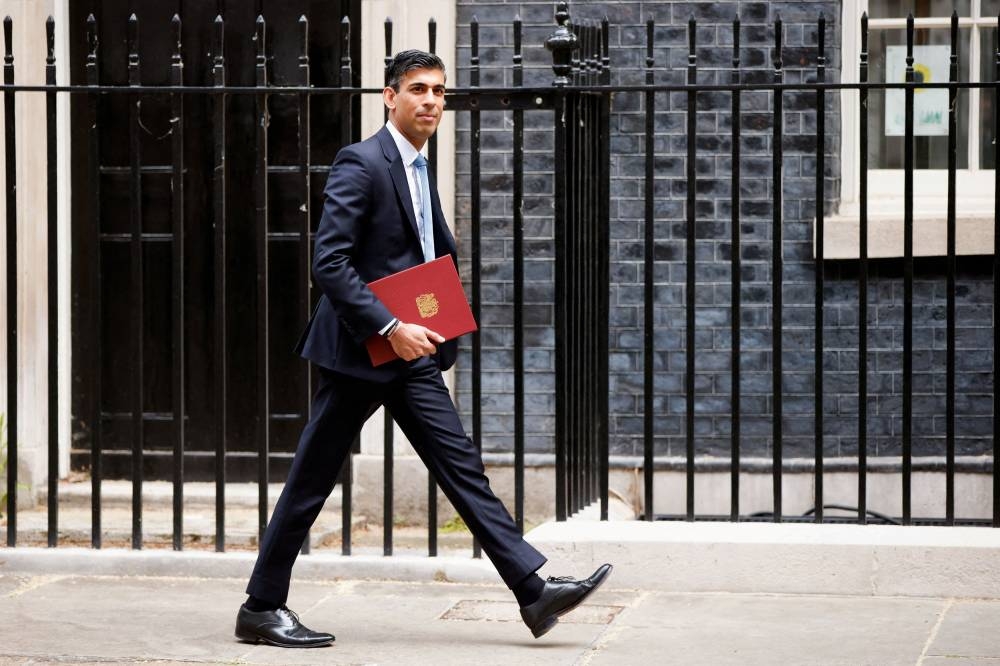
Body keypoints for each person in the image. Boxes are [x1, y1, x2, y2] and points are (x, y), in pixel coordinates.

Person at [234, 49, 612, 649]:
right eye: (418, 89)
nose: (431, 100)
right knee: (312, 480)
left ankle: (534, 593)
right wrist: (389, 327)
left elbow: (428, 257)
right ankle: (261, 607)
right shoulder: (361, 163)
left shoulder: (418, 167)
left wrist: (438, 327)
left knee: (462, 469)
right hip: (361, 353)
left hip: (410, 355)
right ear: (390, 97)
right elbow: (330, 264)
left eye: (438, 90)